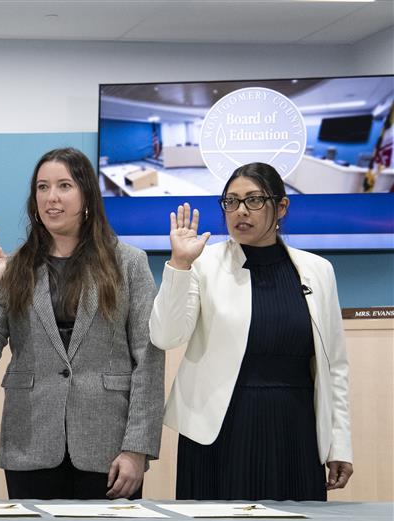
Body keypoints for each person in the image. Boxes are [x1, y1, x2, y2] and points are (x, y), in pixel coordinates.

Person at [0, 147, 164, 500]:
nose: (51, 197)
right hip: (30, 444)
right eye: (42, 187)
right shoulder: (14, 266)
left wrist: (137, 448)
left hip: (109, 448)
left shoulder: (129, 263)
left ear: (86, 196)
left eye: (64, 186)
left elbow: (149, 361)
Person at [149, 162, 352, 501]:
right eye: (231, 202)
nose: (240, 211)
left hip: (295, 427)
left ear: (281, 206)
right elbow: (165, 336)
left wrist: (339, 442)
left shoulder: (318, 271)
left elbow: (336, 367)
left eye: (254, 200)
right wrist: (179, 264)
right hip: (217, 429)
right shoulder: (203, 263)